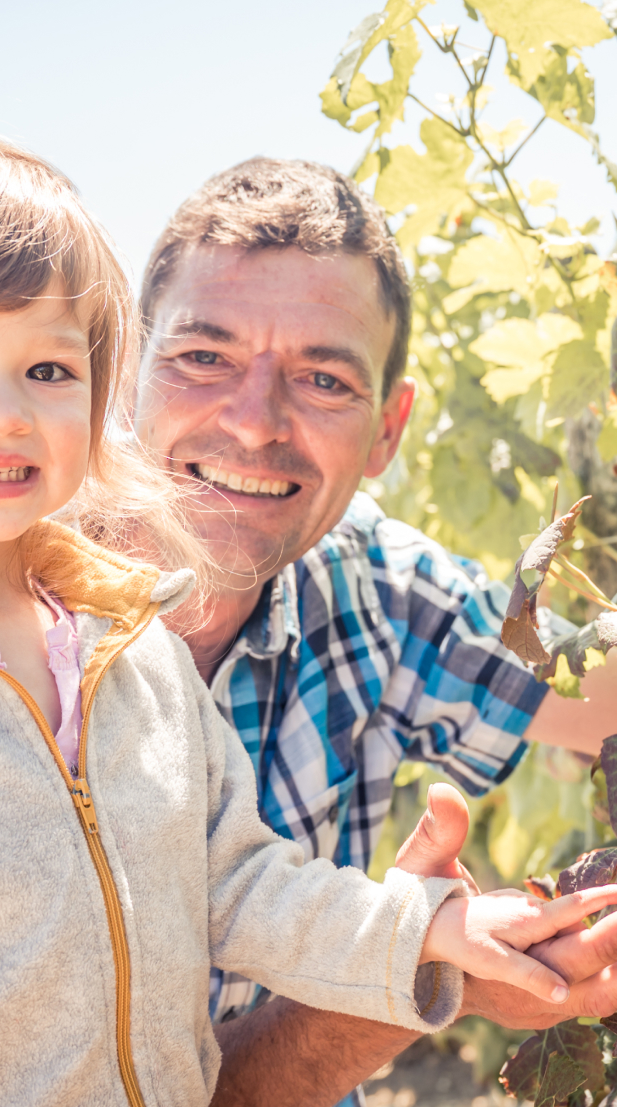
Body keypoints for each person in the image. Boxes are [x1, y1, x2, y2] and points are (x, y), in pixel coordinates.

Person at [0, 129, 613, 1107]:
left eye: (323, 379)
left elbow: (237, 879)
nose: (253, 422)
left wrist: (428, 930)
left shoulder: (141, 642)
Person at [132, 157, 617, 1107]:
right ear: (126, 369)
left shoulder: (366, 584)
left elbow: (597, 691)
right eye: (204, 357)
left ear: (388, 431)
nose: (254, 421)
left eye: (322, 378)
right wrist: (416, 965)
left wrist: (428, 954)